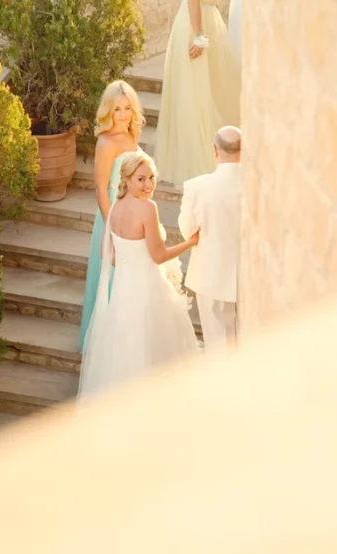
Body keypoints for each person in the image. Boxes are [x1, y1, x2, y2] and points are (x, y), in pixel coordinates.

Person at [78, 151, 200, 399]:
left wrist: (130, 263)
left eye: (152, 177)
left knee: (127, 349)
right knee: (158, 348)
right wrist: (191, 242)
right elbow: (158, 256)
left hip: (123, 291)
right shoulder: (147, 208)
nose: (148, 185)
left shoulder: (115, 206)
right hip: (148, 290)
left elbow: (106, 252)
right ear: (128, 179)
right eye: (141, 179)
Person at [79, 80, 145, 353]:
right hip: (114, 217)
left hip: (135, 215)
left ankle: (128, 340)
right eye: (117, 109)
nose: (123, 115)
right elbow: (100, 188)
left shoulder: (132, 135)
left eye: (128, 108)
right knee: (113, 276)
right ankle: (106, 346)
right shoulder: (105, 142)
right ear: (108, 110)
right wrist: (113, 229)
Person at [153, 0, 241, 186]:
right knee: (195, 94)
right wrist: (198, 35)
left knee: (214, 90)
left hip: (208, 21)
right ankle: (196, 155)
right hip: (195, 26)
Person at [178, 126, 242, 349]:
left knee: (217, 344)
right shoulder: (259, 185)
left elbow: (188, 231)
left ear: (215, 150)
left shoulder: (196, 187)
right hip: (251, 278)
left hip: (211, 273)